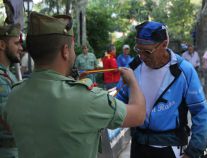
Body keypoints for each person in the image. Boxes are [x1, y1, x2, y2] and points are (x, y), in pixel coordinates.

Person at [4, 12, 146, 158]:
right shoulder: (87, 99)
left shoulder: (15, 94)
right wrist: (133, 81)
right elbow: (139, 115)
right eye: (72, 47)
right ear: (65, 51)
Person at [116, 21, 207, 158]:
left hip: (170, 147)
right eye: (138, 50)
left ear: (164, 44)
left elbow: (200, 112)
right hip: (138, 144)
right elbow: (119, 100)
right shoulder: (134, 67)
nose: (141, 56)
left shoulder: (184, 71)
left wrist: (193, 151)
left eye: (147, 51)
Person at [0, 23, 22, 158]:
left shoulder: (8, 74)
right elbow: (9, 121)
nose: (20, 48)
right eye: (16, 43)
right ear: (2, 45)